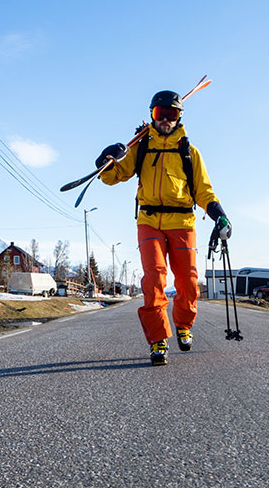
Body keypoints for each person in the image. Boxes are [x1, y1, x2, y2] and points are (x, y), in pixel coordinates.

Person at [95, 90, 231, 366]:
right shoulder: (141, 147)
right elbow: (115, 176)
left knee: (188, 281)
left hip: (182, 221)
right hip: (149, 221)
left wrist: (219, 214)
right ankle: (158, 340)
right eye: (161, 114)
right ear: (152, 116)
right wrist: (106, 161)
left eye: (172, 114)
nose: (166, 120)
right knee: (154, 278)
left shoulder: (189, 152)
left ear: (179, 117)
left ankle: (183, 325)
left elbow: (203, 191)